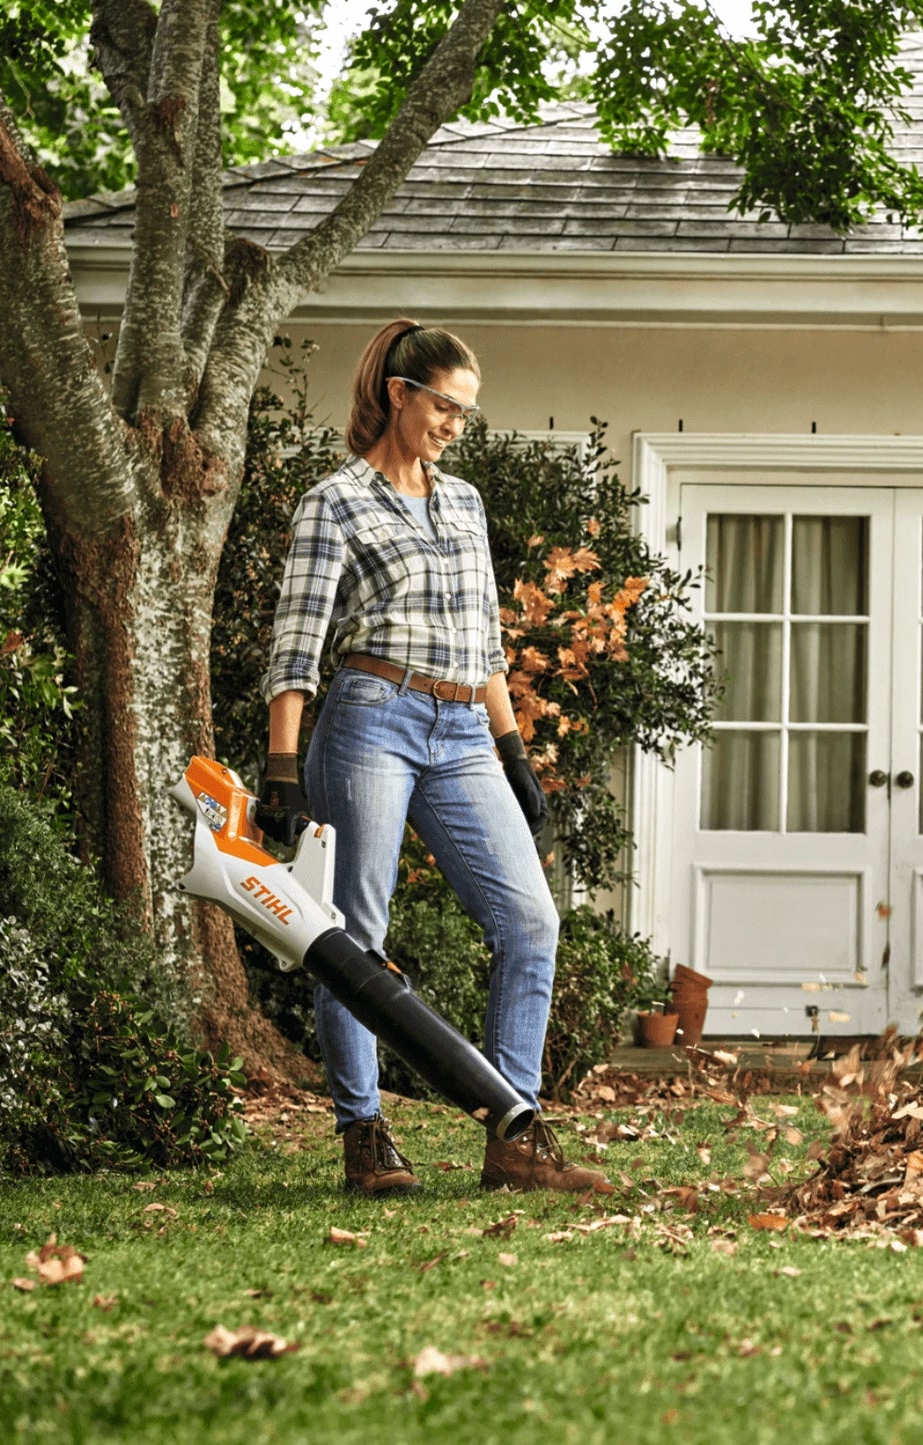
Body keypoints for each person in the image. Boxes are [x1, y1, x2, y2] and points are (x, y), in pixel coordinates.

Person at [257, 318, 607, 1197]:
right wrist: (282, 767)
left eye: (466, 411)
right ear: (398, 395)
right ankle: (364, 1133)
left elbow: (484, 640)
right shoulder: (333, 502)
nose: (454, 423)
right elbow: (296, 645)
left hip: (461, 732)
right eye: (444, 405)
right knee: (353, 936)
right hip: (371, 715)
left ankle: (514, 1131)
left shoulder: (464, 502)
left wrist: (512, 750)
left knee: (530, 921)